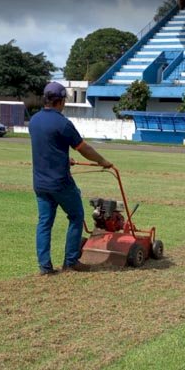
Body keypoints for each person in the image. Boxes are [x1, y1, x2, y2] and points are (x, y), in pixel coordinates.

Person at [29, 82, 113, 275]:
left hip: (40, 183)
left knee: (44, 223)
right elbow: (84, 148)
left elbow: (46, 147)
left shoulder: (34, 121)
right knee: (76, 216)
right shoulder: (63, 123)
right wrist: (103, 161)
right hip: (60, 182)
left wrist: (64, 158)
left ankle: (45, 267)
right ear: (60, 101)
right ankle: (71, 261)